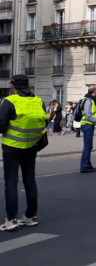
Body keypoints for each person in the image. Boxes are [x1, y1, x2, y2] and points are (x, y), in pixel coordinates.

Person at [0, 75, 49, 231]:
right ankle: (31, 216)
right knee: (30, 180)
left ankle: (12, 219)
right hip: (31, 145)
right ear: (28, 85)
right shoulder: (38, 101)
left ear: (12, 86)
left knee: (11, 181)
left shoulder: (9, 101)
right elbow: (45, 122)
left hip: (12, 146)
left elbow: (1, 126)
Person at [79, 85, 96, 173]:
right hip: (87, 124)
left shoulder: (93, 100)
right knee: (87, 146)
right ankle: (84, 166)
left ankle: (87, 165)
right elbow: (88, 115)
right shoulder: (89, 100)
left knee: (88, 146)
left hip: (89, 125)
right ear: (95, 92)